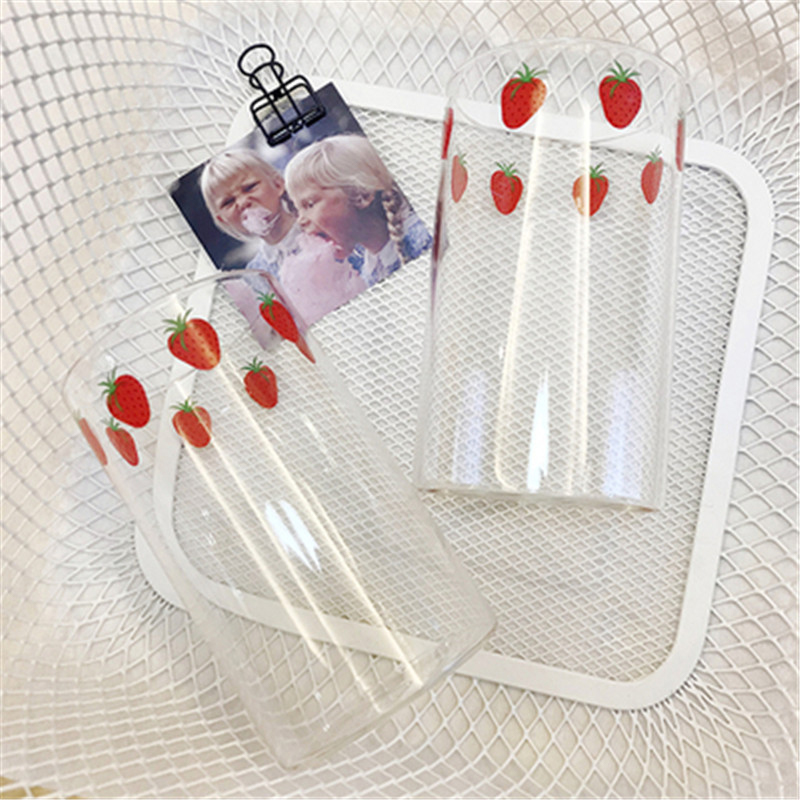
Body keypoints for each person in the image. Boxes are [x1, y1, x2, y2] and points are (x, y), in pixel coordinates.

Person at [199, 148, 365, 326]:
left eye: (249, 187)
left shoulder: (327, 229)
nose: (242, 202)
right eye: (228, 202)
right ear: (222, 219)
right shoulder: (255, 275)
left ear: (278, 184)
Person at [284, 133, 432, 288]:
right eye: (298, 210)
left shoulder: (424, 241)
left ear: (362, 194)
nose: (300, 221)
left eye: (309, 204)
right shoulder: (369, 271)